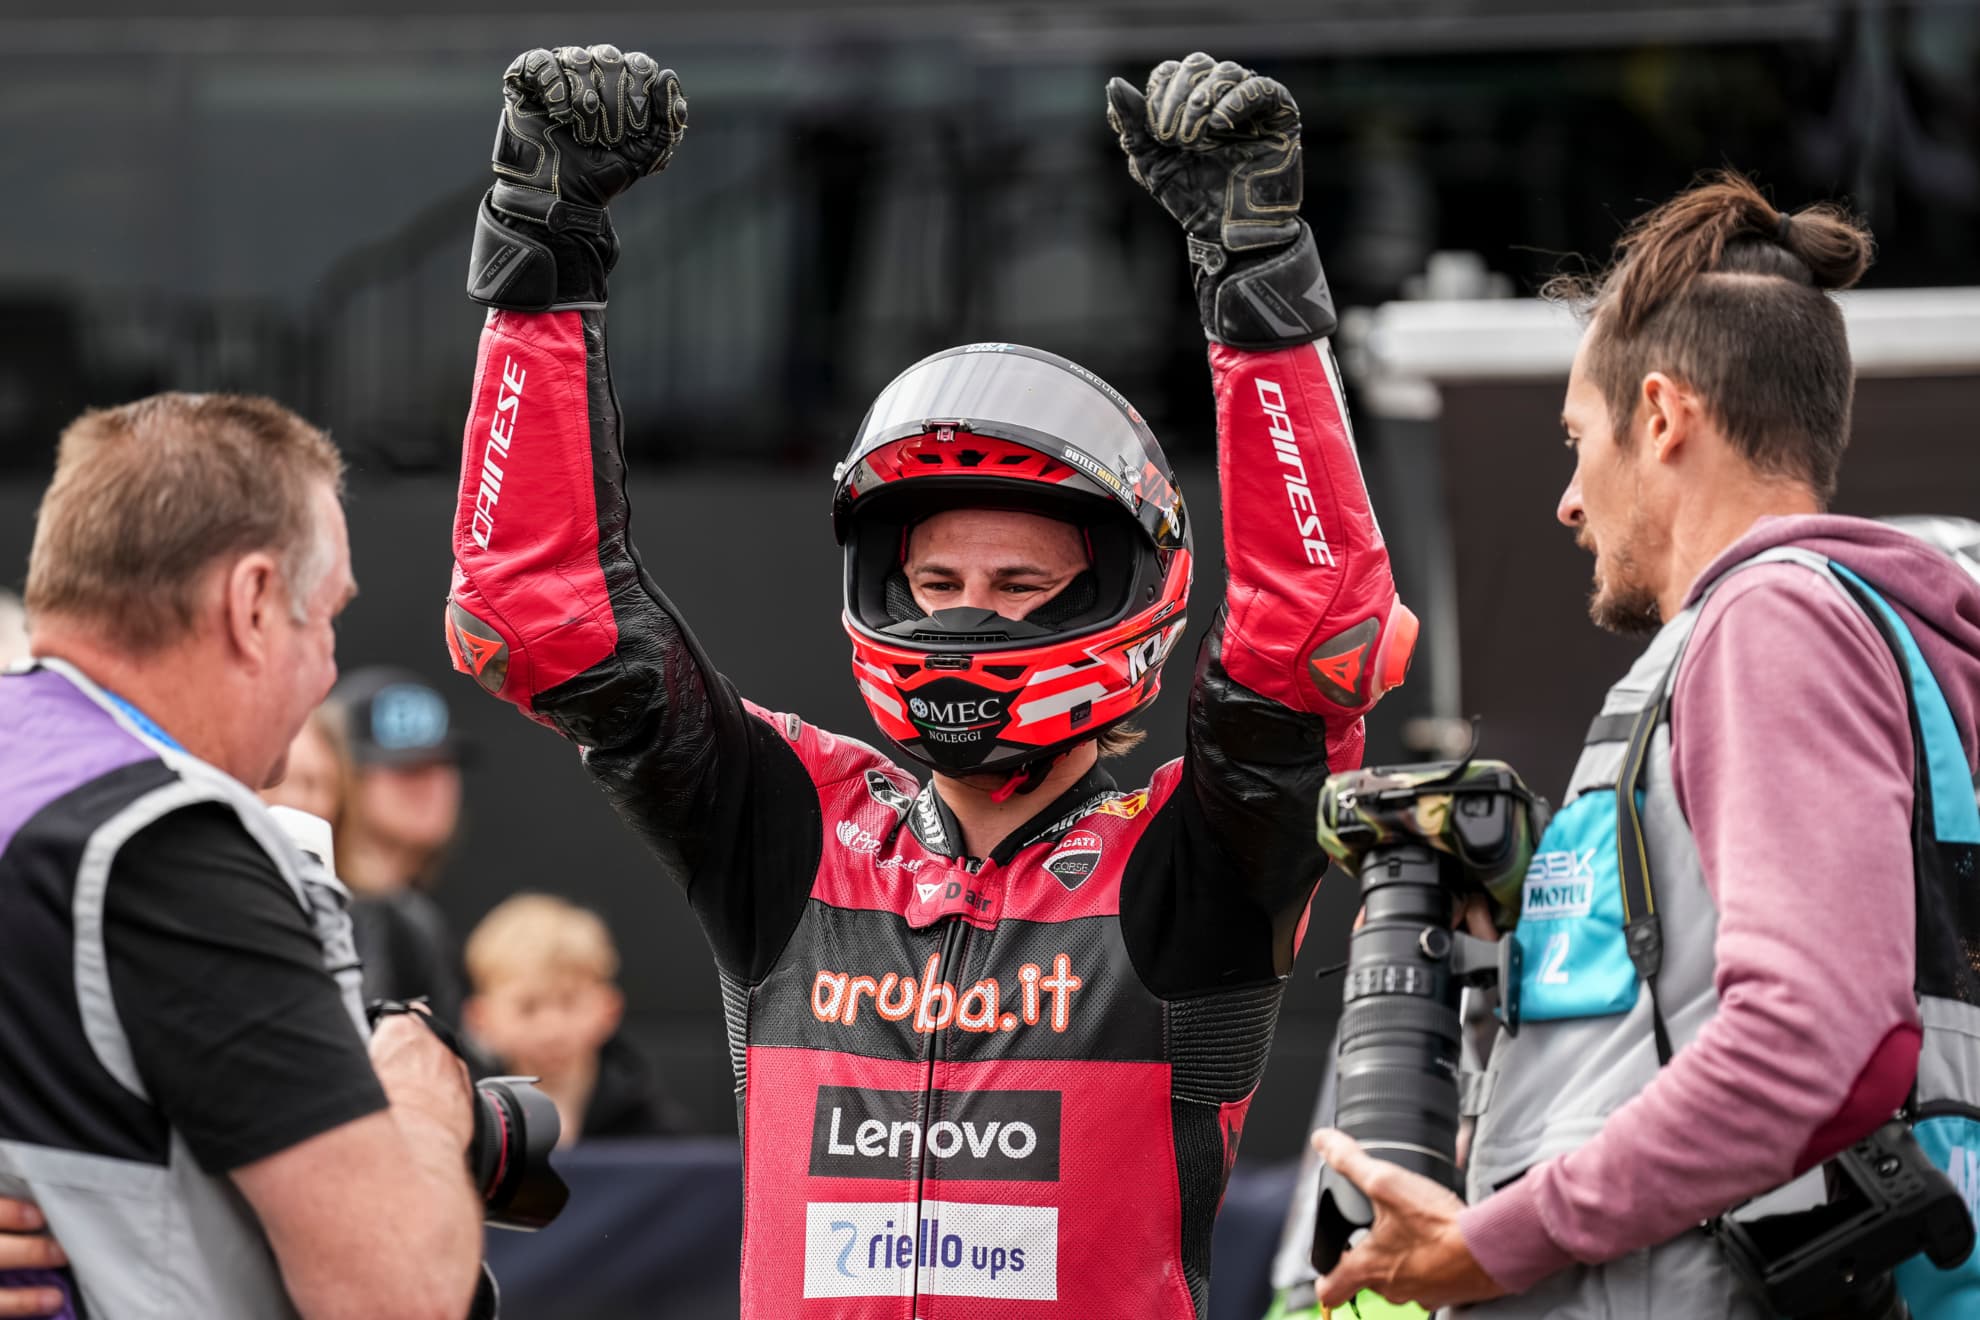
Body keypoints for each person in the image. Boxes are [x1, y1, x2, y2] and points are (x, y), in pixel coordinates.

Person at [444, 44, 1412, 1317]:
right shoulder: (793, 824)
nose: (969, 622)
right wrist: (541, 253)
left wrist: (1259, 289)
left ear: (1121, 598)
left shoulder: (1196, 861)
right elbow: (539, 617)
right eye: (940, 586)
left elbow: (1316, 643)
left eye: (1019, 588)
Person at [1307, 173, 1980, 1315]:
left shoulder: (1776, 623)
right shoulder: (1855, 632)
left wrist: (1497, 1242)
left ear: (1663, 417)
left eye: (1578, 440)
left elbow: (1812, 1040)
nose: (1569, 500)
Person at [0, 393, 484, 1317]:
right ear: (254, 602)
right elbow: (403, 1295)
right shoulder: (167, 845)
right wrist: (421, 1100)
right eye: (328, 616)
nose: (330, 667)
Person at [462, 893, 688, 1144]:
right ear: (480, 1019)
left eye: (569, 1002)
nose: (552, 1029)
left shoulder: (654, 1125)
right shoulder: (468, 1122)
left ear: (609, 1009)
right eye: (528, 1008)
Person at [324, 667, 472, 1025]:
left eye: (442, 763)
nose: (432, 785)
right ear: (344, 776)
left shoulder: (416, 912)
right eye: (405, 768)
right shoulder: (328, 908)